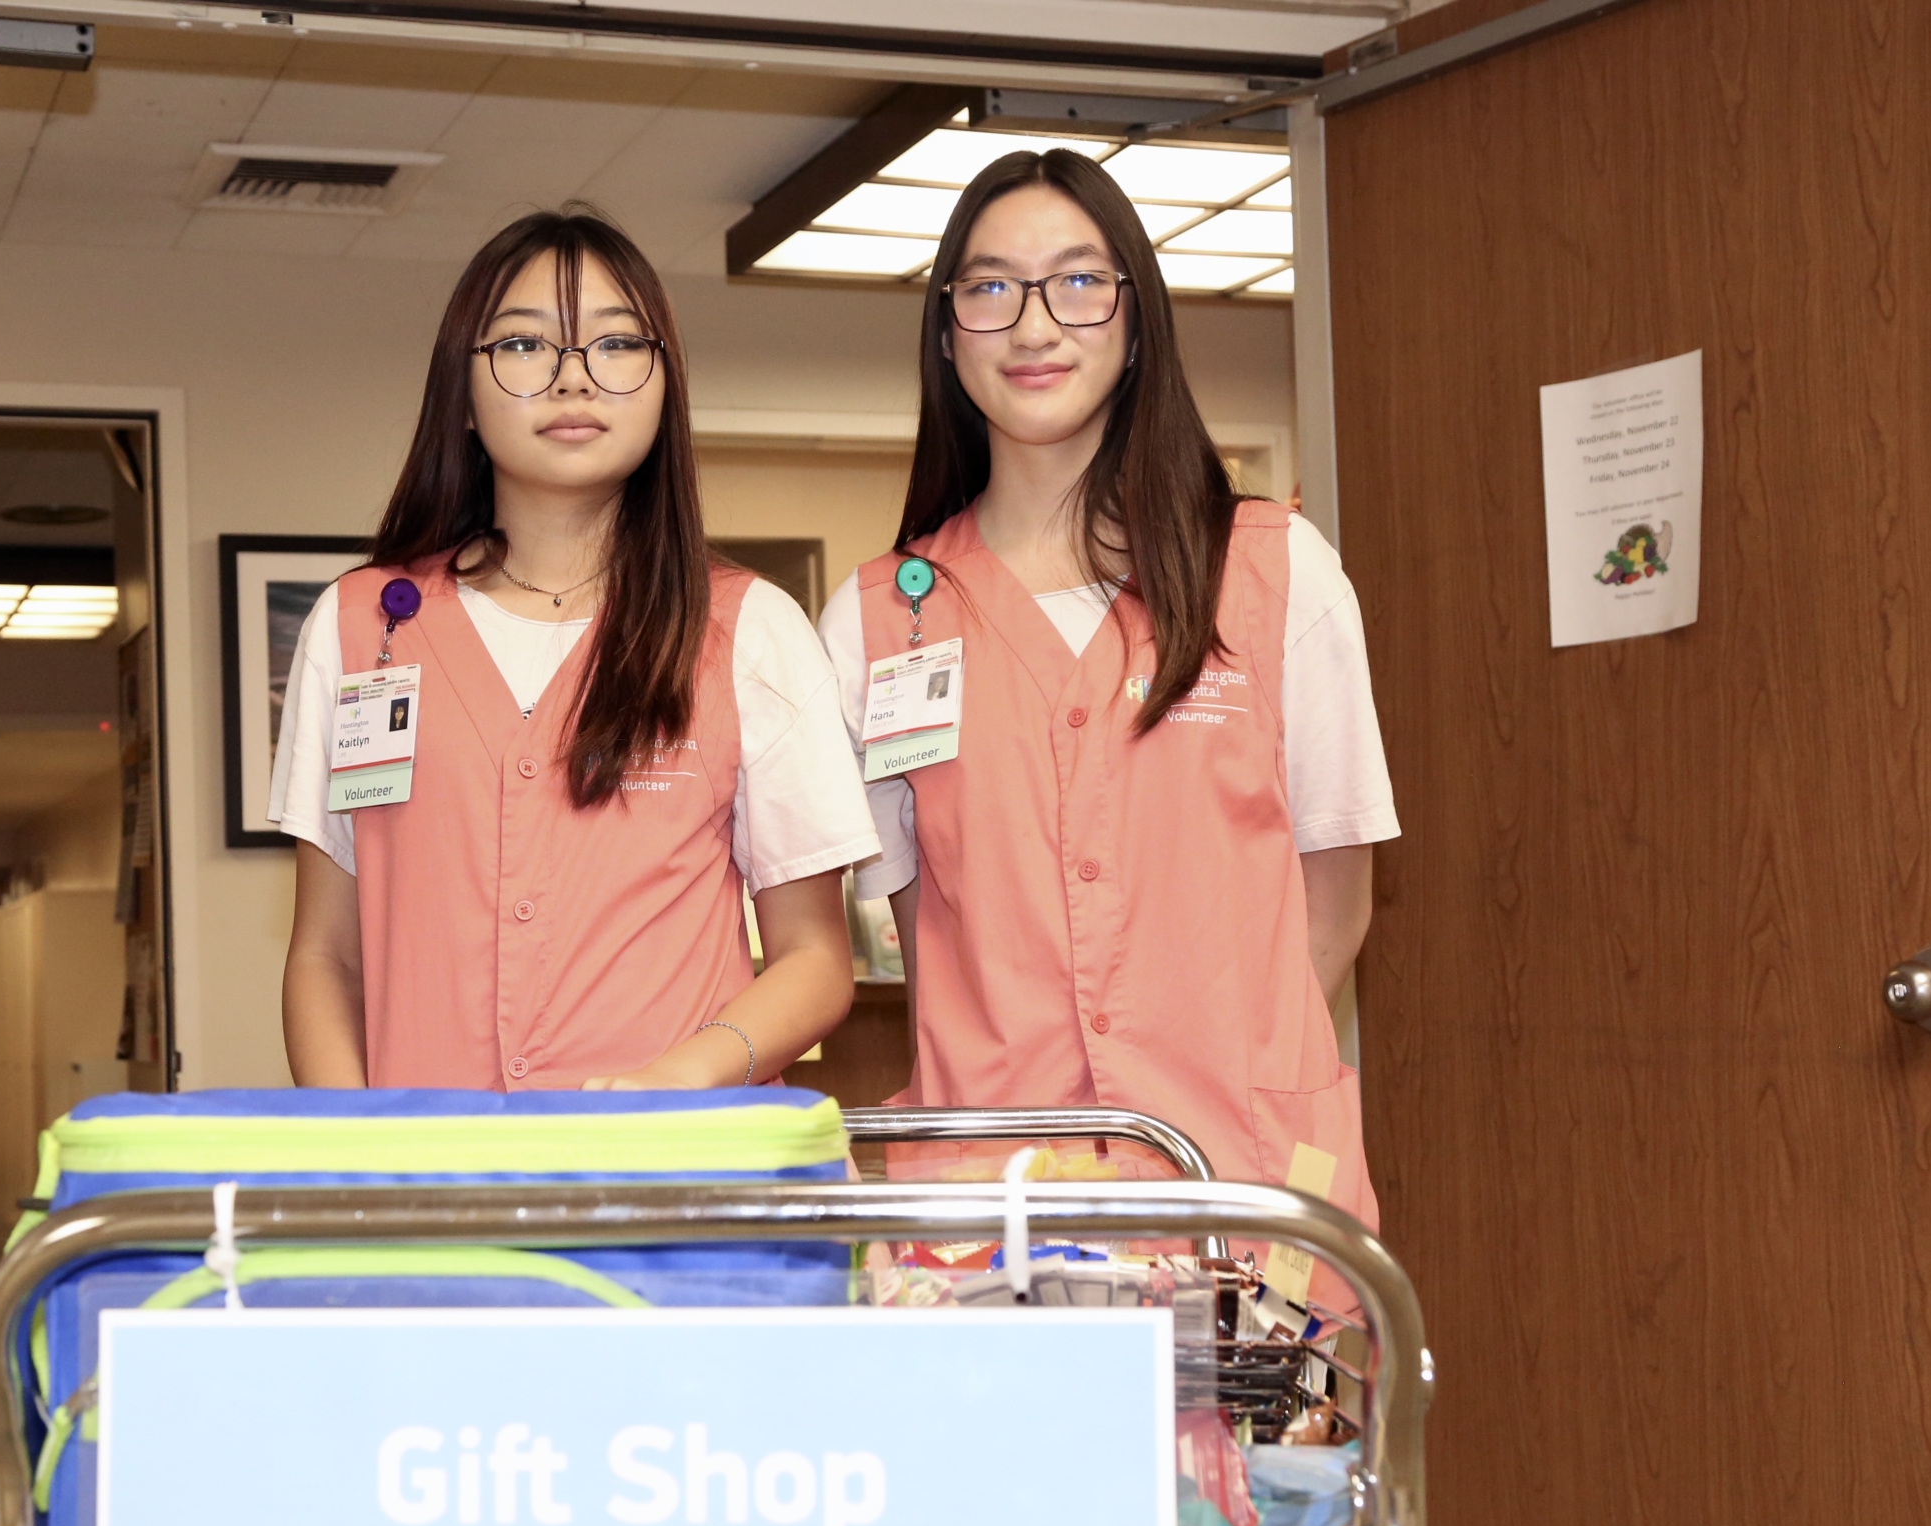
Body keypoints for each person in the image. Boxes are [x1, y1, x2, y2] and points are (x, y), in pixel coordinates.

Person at [816, 151, 1399, 1310]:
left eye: (1078, 282)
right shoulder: (882, 619)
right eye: (989, 289)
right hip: (991, 1215)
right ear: (945, 334)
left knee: (1252, 1491)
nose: (1034, 324)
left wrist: (1220, 1059)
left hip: (1239, 1191)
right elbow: (913, 930)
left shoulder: (1277, 572)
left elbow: (1334, 901)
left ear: (1137, 316)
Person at [272, 207, 878, 1091]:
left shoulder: (751, 629)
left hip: (675, 1190)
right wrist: (359, 1162)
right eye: (523, 347)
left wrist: (679, 1080)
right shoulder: (360, 627)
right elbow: (326, 956)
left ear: (664, 384)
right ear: (464, 398)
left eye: (617, 344)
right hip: (438, 1194)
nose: (573, 380)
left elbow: (816, 958)